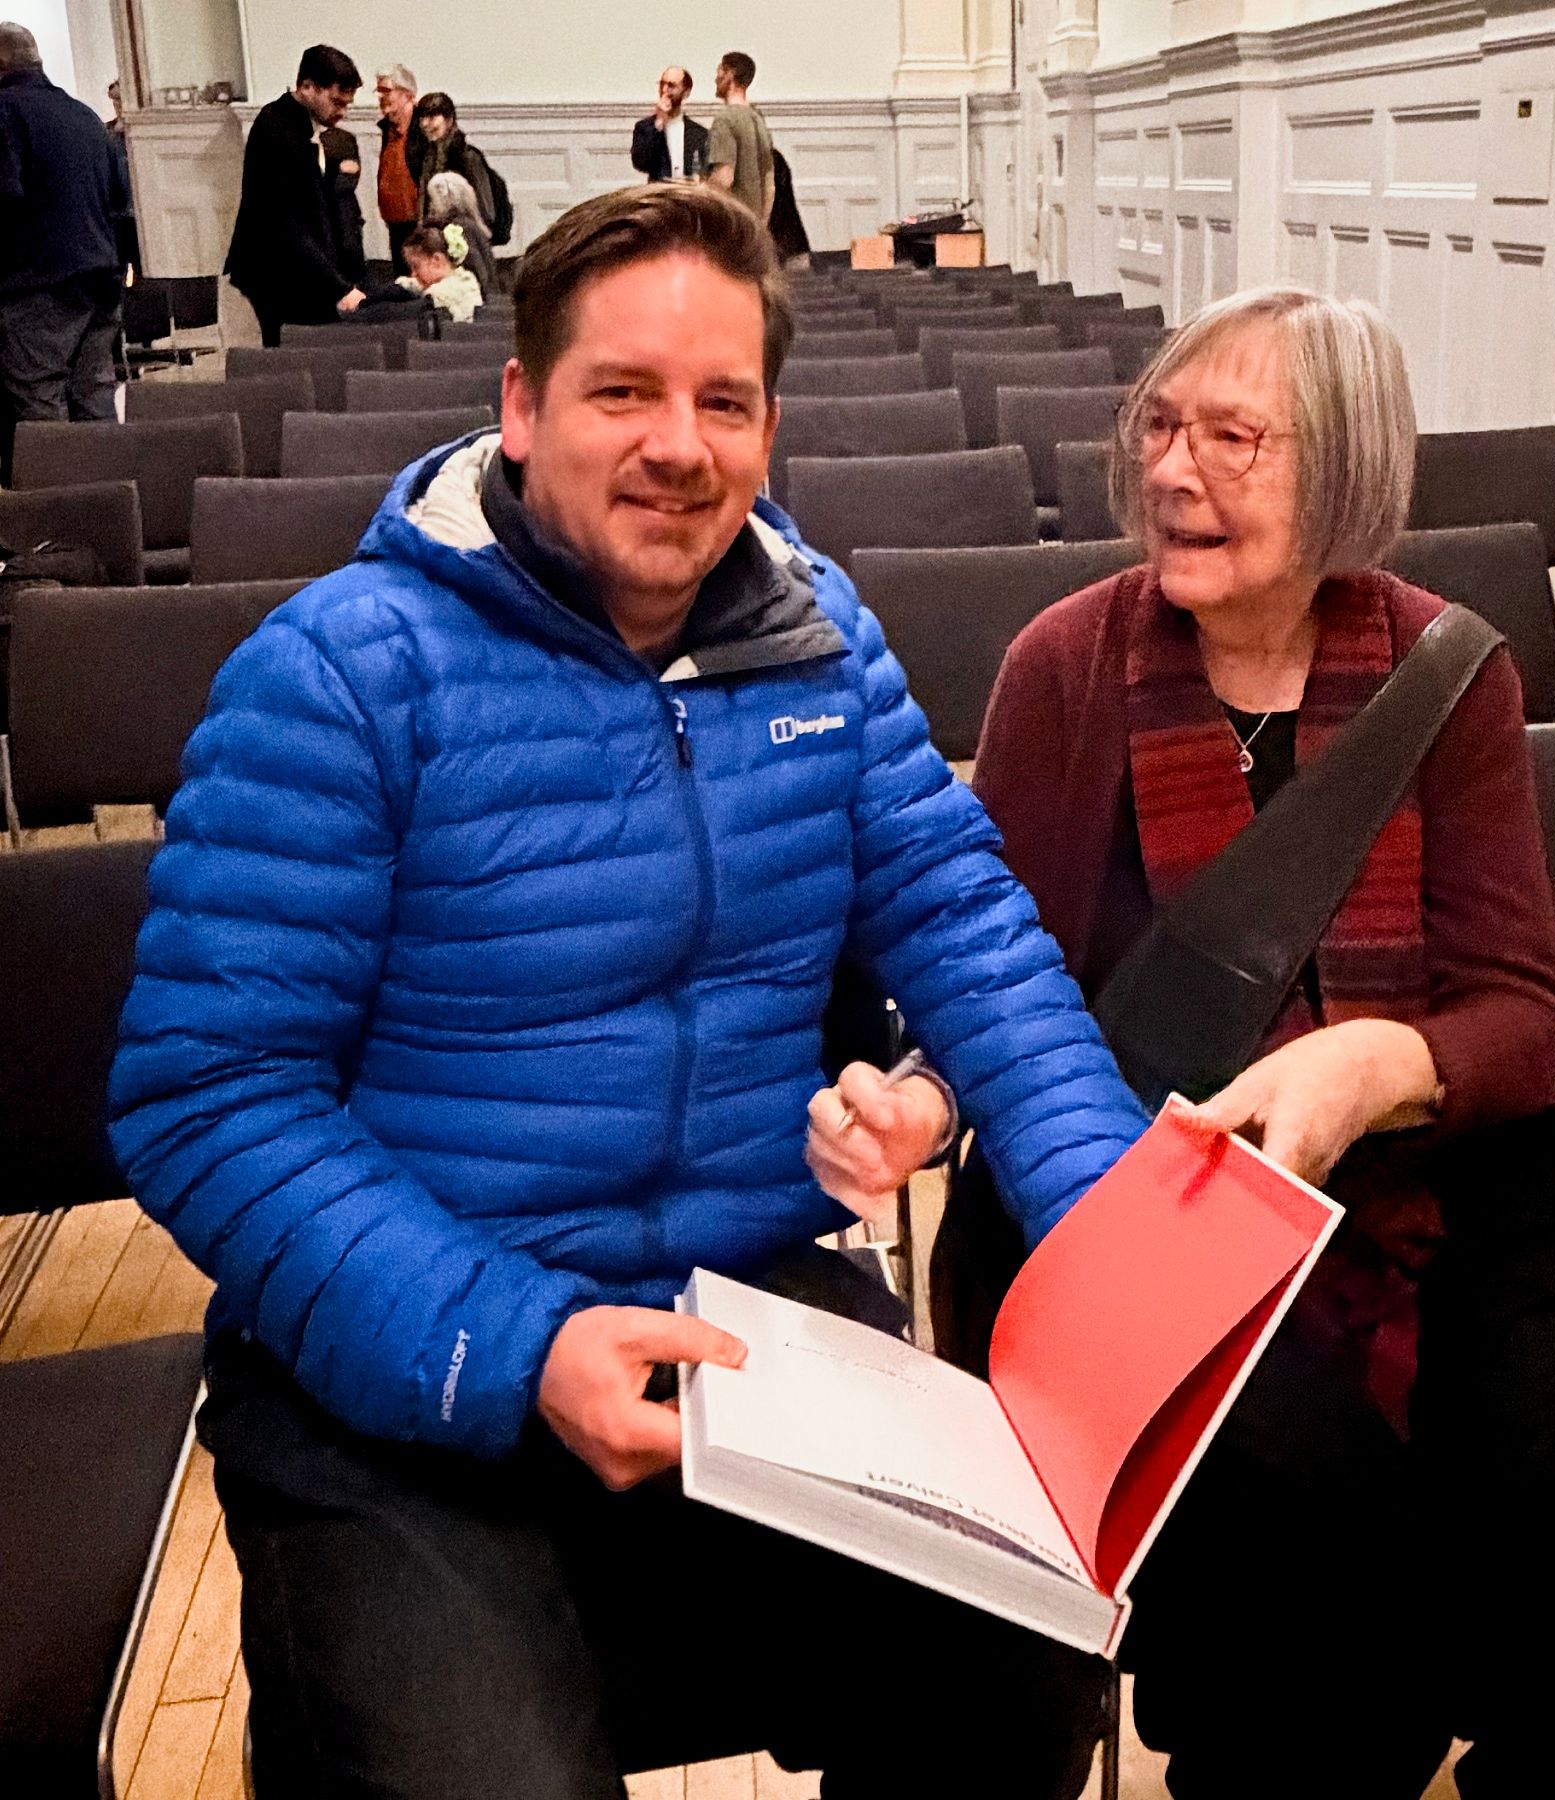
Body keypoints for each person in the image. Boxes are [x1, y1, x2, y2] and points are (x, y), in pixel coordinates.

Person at [108, 180, 1145, 1800]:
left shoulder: (817, 642)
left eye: (723, 401)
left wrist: (1114, 1246)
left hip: (738, 1313)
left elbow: (968, 932)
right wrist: (522, 1344)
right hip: (406, 1352)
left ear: (768, 428)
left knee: (1022, 1649)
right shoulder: (341, 673)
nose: (680, 444)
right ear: (523, 408)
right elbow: (207, 1098)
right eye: (623, 393)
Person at [953, 284, 1555, 1798]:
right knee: (1307, 1600)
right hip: (1149, 1193)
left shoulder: (1450, 670)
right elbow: (990, 986)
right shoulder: (1067, 668)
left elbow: (1520, 1016)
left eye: (1233, 439)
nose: (1173, 471)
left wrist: (1376, 1065)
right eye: (1159, 429)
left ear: (1349, 469)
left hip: (1442, 1176)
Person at [0, 22, 127, 482]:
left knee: (40, 403)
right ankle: (112, 504)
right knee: (94, 399)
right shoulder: (83, 116)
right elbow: (119, 201)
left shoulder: (5, 112)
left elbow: (5, 198)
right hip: (101, 281)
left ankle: (59, 514)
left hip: (39, 286)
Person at [223, 43, 365, 346]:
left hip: (295, 267)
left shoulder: (297, 125)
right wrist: (339, 286)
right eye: (336, 101)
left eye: (347, 104)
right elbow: (287, 223)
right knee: (297, 355)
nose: (342, 112)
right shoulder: (278, 129)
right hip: (279, 272)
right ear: (308, 86)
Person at [706, 50, 772, 223]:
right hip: (754, 223)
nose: (716, 79)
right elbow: (769, 184)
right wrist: (762, 224)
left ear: (729, 74)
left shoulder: (725, 119)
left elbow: (723, 178)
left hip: (733, 222)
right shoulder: (758, 119)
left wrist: (701, 195)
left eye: (719, 71)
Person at [414, 90, 495, 229]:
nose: (425, 124)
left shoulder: (469, 157)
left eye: (432, 117)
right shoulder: (429, 157)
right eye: (422, 118)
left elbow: (486, 211)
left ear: (449, 119)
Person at [375, 62, 426, 269]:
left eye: (386, 90)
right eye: (378, 91)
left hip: (421, 228)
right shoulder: (388, 130)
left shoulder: (423, 130)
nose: (381, 97)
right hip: (395, 227)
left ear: (407, 95)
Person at [422, 168, 494, 298]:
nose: (430, 205)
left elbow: (476, 270)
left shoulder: (459, 228)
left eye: (432, 199)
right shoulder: (467, 224)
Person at [388, 222, 481, 321]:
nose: (413, 274)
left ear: (436, 260)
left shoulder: (444, 294)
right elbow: (412, 285)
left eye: (416, 266)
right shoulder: (459, 279)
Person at [631, 65, 708, 183]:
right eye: (662, 84)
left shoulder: (699, 133)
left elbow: (703, 170)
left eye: (671, 85)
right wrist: (659, 123)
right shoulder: (644, 127)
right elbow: (641, 164)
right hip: (658, 192)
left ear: (686, 92)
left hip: (688, 192)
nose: (664, 90)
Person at [320, 122, 367, 287]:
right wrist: (336, 167)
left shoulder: (342, 139)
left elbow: (348, 179)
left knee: (348, 249)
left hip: (342, 209)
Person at [104, 77, 139, 277]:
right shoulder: (105, 133)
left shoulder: (141, 133)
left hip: (138, 213)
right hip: (117, 215)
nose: (118, 106)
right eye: (115, 101)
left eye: (121, 100)